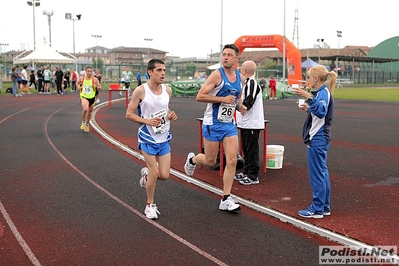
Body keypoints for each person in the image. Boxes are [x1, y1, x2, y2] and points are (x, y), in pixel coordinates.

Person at [184, 44, 245, 212]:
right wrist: (222, 100)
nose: (225, 57)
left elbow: (237, 98)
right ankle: (192, 160)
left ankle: (226, 198)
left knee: (232, 160)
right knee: (210, 161)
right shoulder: (216, 75)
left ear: (236, 59)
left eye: (229, 55)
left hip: (229, 125)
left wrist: (240, 107)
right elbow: (200, 96)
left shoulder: (240, 78)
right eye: (223, 54)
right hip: (212, 123)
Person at [125, 59, 178, 220]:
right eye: (159, 70)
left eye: (164, 70)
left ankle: (147, 176)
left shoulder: (167, 91)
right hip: (147, 137)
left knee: (164, 175)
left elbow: (164, 109)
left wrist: (170, 114)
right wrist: (147, 121)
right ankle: (150, 204)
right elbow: (129, 114)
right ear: (150, 72)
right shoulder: (141, 91)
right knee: (155, 171)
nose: (163, 73)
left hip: (163, 136)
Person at [291, 65, 337, 219]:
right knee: (322, 173)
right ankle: (324, 207)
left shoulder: (322, 93)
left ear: (316, 78)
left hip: (318, 139)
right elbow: (320, 113)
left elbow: (322, 111)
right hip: (321, 137)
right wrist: (308, 108)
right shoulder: (323, 93)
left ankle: (317, 209)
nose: (308, 80)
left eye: (310, 77)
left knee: (317, 175)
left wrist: (308, 97)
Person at [234, 61, 264, 185]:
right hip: (245, 123)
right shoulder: (245, 83)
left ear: (245, 71)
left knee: (252, 149)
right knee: (246, 148)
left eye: (242, 69)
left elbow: (249, 99)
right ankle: (246, 171)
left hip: (252, 123)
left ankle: (253, 175)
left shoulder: (252, 83)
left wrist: (242, 106)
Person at [77, 66, 102, 133]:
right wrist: (79, 87)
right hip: (84, 96)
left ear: (92, 72)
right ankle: (83, 121)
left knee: (90, 112)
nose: (89, 73)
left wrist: (97, 87)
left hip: (92, 97)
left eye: (90, 71)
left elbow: (100, 87)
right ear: (86, 72)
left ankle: (87, 124)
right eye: (88, 71)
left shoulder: (95, 80)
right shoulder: (82, 78)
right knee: (85, 109)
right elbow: (77, 82)